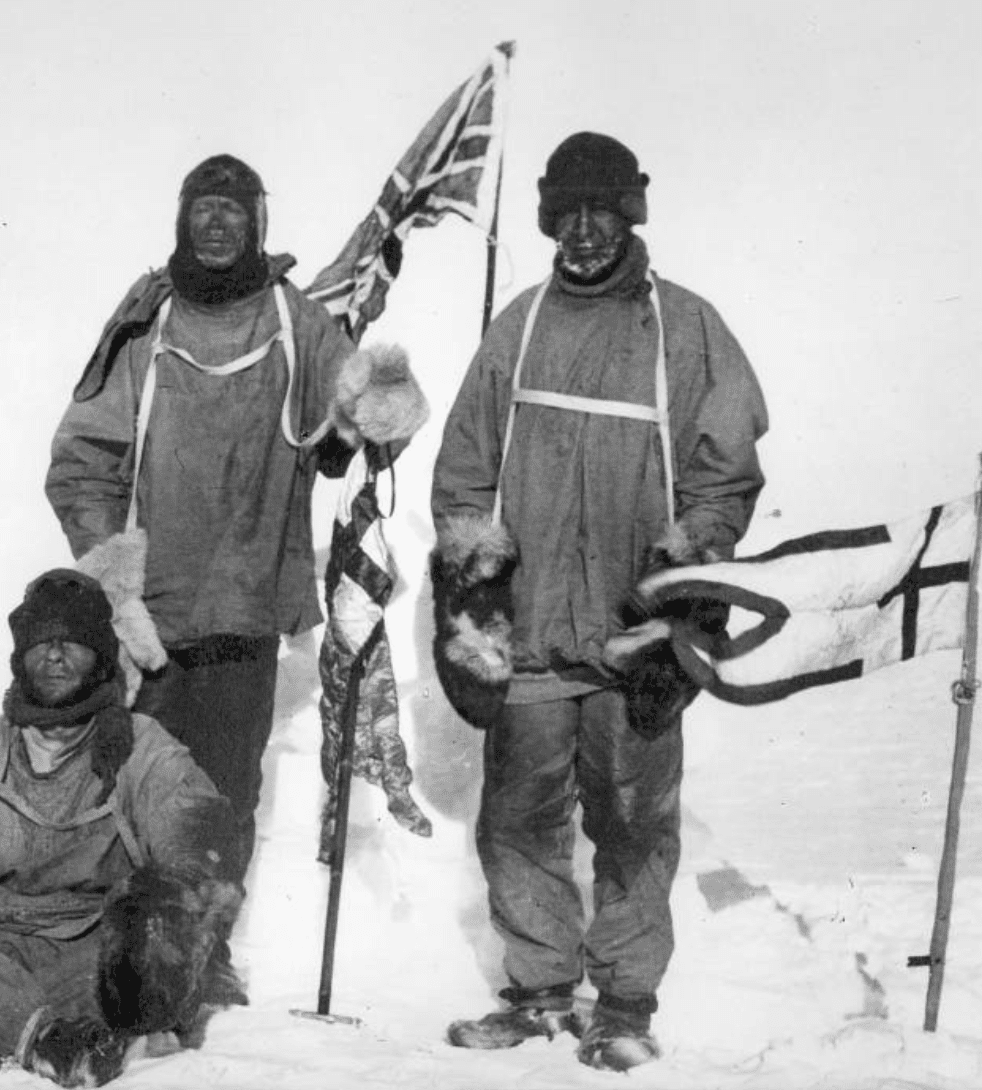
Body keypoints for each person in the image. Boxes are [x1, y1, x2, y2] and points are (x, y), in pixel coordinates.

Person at [429, 132, 769, 1071]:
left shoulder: (685, 328)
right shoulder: (522, 323)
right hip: (534, 632)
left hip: (634, 634)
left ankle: (622, 1003)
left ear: (631, 214)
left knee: (631, 818)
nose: (583, 233)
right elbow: (464, 465)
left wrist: (687, 564)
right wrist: (477, 575)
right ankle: (539, 993)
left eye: (601, 211)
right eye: (566, 214)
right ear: (547, 221)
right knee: (519, 816)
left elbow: (725, 470)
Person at [45, 154, 411, 900]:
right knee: (129, 790)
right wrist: (115, 588)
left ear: (257, 224)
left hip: (244, 610)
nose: (216, 224)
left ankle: (201, 951)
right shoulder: (149, 318)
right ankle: (117, 953)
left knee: (224, 798)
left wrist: (379, 393)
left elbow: (369, 425)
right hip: (149, 618)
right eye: (202, 208)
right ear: (182, 220)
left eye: (233, 210)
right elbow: (84, 459)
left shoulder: (295, 321)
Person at [0, 569, 243, 1088]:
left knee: (148, 958)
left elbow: (194, 823)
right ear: (20, 657)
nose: (56, 655)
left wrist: (165, 915)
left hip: (87, 950)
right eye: (42, 643)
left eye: (74, 642)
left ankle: (30, 1030)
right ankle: (47, 1038)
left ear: (101, 657)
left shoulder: (140, 748)